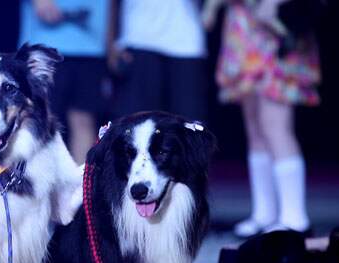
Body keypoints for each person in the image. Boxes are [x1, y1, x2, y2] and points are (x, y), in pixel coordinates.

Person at [203, 0, 320, 237]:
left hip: (274, 29)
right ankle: (265, 213)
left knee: (275, 125)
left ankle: (294, 217)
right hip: (245, 30)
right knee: (255, 127)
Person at [19, 0, 111, 164]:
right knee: (39, 120)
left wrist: (111, 46)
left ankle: (81, 187)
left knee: (84, 121)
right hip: (44, 46)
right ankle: (33, 186)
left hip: (92, 47)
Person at [109, 0, 208, 123]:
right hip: (138, 38)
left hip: (186, 40)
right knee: (136, 125)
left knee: (190, 127)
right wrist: (110, 42)